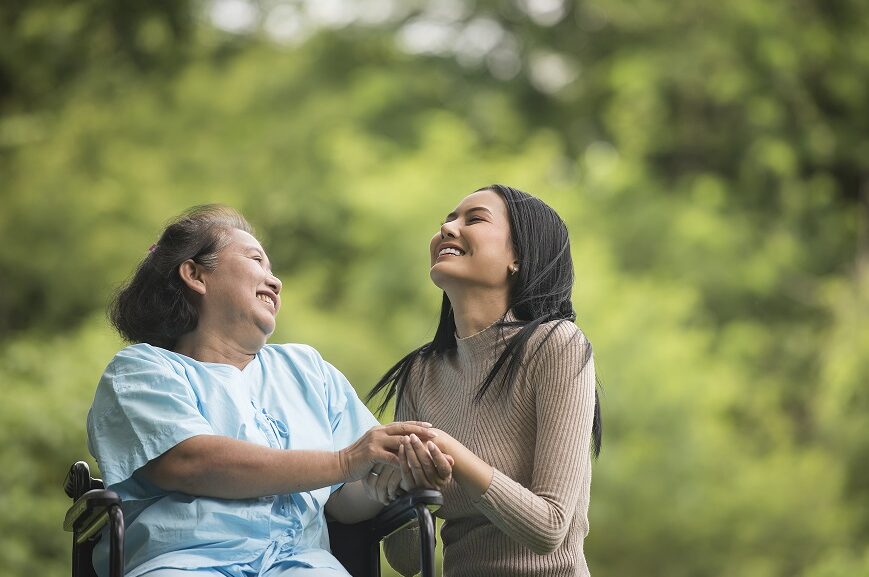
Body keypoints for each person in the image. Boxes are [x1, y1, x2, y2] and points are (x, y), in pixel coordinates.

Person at [86, 205, 438, 577]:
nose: (275, 282)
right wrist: (345, 462)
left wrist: (394, 476)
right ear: (195, 274)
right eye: (257, 260)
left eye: (273, 270)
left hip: (301, 565)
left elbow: (345, 502)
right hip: (184, 562)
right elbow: (191, 463)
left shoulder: (308, 371)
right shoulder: (141, 370)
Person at [369, 185, 603, 577]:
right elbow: (407, 562)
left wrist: (449, 451)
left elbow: (549, 528)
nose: (447, 227)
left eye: (473, 219)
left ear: (518, 257)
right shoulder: (420, 374)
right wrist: (404, 486)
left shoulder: (557, 346)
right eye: (446, 219)